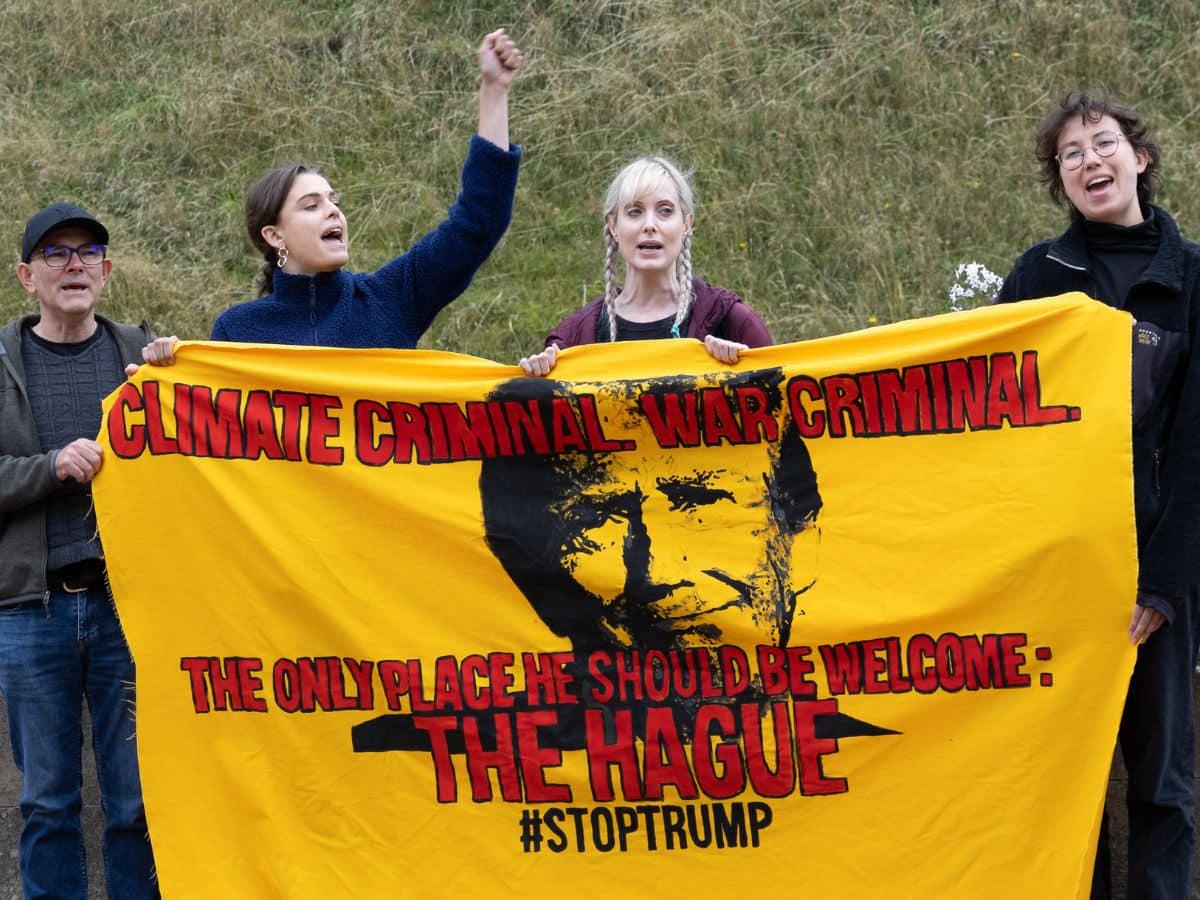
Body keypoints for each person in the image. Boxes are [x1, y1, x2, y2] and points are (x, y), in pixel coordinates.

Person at [996, 89, 1200, 899]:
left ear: (1139, 158)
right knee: (1064, 785)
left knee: (1163, 787)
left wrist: (1164, 585)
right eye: (1070, 155)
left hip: (1156, 583)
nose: (1090, 162)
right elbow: (982, 412)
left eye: (1103, 144)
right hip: (1063, 577)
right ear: (1061, 180)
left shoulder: (1190, 278)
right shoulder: (1039, 275)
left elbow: (1194, 448)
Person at [0, 202, 170, 899]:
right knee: (46, 804)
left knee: (136, 803)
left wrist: (179, 379)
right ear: (26, 276)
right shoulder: (1, 362)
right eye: (56, 254)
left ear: (106, 269)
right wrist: (49, 467)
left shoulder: (143, 355)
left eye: (88, 252)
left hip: (128, 607)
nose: (74, 265)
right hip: (28, 613)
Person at [210, 28, 523, 348]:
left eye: (334, 201)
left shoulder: (391, 299)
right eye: (311, 205)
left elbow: (477, 224)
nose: (333, 210)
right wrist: (162, 363)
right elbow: (196, 395)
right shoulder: (237, 332)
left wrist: (494, 90)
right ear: (274, 235)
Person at [518, 156, 771, 376]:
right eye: (635, 212)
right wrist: (537, 378)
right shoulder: (576, 337)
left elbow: (783, 410)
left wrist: (745, 371)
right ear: (613, 226)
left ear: (687, 224)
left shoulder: (730, 321)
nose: (649, 225)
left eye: (665, 210)